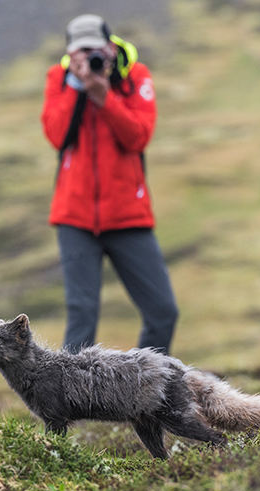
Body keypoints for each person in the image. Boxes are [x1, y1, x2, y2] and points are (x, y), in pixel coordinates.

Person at [41, 14, 178, 354]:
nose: (89, 58)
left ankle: (142, 393)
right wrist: (78, 87)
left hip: (127, 215)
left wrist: (105, 96)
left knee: (163, 312)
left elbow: (138, 137)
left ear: (110, 46)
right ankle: (73, 405)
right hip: (74, 216)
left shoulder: (134, 77)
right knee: (82, 314)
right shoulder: (59, 78)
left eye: (94, 50)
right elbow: (58, 136)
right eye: (80, 51)